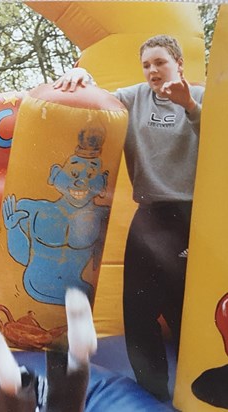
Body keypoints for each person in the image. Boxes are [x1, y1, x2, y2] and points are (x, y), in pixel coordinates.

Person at [53, 34, 204, 401]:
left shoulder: (201, 96)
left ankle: (195, 395)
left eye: (160, 63)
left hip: (190, 218)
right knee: (137, 310)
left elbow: (219, 141)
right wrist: (84, 77)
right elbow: (99, 103)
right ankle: (151, 396)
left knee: (184, 310)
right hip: (150, 214)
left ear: (179, 64)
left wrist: (190, 108)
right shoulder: (133, 98)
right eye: (147, 65)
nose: (153, 70)